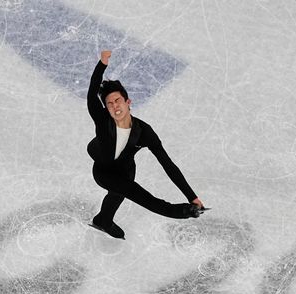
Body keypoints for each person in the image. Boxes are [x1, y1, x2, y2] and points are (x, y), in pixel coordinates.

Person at [86, 49, 206, 239]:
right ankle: (181, 212)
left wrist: (191, 196)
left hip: (126, 168)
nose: (114, 106)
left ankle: (103, 220)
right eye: (109, 104)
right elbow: (92, 91)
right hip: (104, 171)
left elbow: (168, 164)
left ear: (128, 102)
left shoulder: (144, 132)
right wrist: (102, 64)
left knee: (117, 193)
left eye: (118, 100)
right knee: (137, 194)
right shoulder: (102, 120)